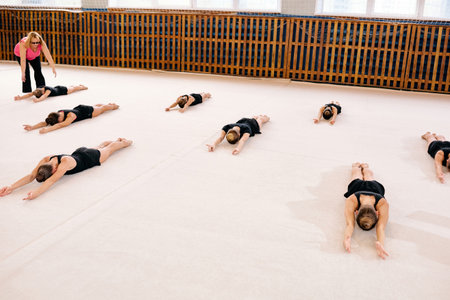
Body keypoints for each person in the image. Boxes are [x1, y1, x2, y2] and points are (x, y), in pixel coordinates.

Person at [0, 138, 132, 200]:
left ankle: (125, 142)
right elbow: (31, 176)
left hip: (90, 158)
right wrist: (11, 187)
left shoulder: (63, 165)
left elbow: (50, 182)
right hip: (80, 152)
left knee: (110, 149)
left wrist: (36, 193)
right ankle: (105, 143)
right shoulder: (47, 159)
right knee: (100, 147)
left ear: (53, 170)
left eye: (52, 174)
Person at [343, 162, 390, 259]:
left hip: (374, 189)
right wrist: (380, 243)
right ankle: (362, 167)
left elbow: (350, 225)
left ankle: (359, 167)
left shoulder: (382, 203)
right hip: (358, 189)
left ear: (377, 213)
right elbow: (380, 228)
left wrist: (347, 237)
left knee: (365, 175)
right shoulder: (352, 200)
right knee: (360, 175)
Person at [23, 103, 119, 134]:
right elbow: (45, 122)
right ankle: (103, 104)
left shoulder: (70, 116)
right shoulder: (57, 114)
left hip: (87, 112)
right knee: (98, 106)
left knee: (102, 109)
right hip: (78, 109)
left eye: (57, 121)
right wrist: (32, 127)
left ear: (59, 118)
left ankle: (113, 106)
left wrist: (48, 130)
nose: (57, 122)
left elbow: (62, 124)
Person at [14, 84, 88, 103]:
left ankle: (82, 87)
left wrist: (38, 100)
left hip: (62, 90)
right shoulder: (39, 89)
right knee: (71, 87)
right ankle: (76, 85)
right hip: (57, 88)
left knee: (74, 89)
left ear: (42, 92)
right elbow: (30, 94)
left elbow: (44, 96)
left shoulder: (47, 91)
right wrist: (20, 97)